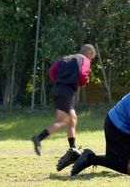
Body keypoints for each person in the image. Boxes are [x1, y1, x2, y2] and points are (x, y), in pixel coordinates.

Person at [31, 44, 96, 172]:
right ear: (88, 53)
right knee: (63, 120)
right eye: (91, 57)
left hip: (59, 89)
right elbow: (83, 75)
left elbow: (52, 71)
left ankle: (73, 148)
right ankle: (38, 138)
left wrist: (60, 80)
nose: (91, 60)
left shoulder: (66, 58)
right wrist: (84, 81)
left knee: (72, 119)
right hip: (66, 91)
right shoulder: (85, 60)